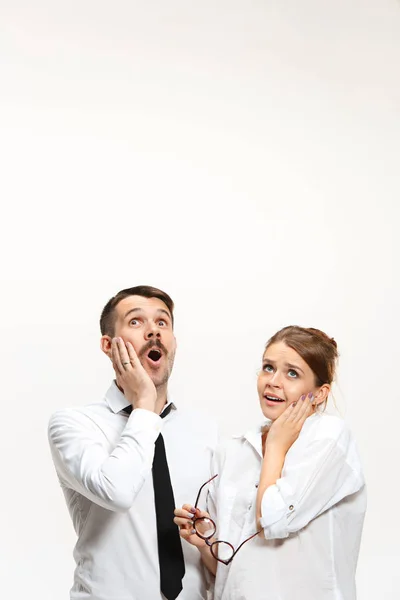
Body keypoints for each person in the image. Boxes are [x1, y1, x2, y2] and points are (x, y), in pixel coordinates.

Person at [48, 285, 218, 600]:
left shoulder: (206, 432)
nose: (153, 331)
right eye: (136, 322)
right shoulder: (74, 424)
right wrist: (144, 403)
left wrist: (207, 539)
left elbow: (218, 551)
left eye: (162, 323)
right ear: (108, 344)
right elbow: (117, 491)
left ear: (173, 343)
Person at [175, 326, 366, 600]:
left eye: (292, 373)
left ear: (320, 393)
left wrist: (275, 445)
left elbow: (273, 521)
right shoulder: (231, 451)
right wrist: (203, 540)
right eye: (268, 367)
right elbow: (228, 573)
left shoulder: (329, 438)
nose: (273, 381)